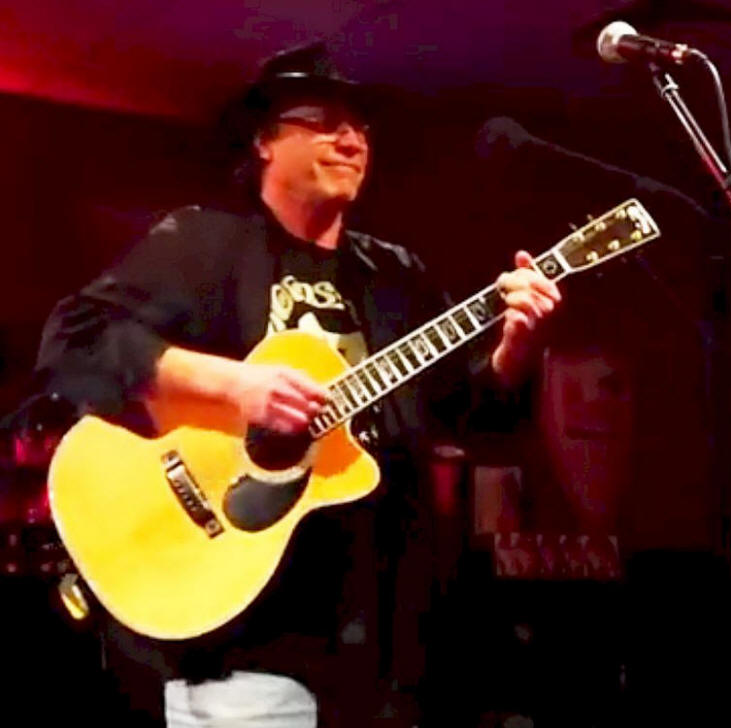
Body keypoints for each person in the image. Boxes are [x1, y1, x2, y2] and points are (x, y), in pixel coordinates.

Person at [35, 42, 561, 727]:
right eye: (322, 121)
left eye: (360, 127)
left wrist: (518, 347)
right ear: (263, 141)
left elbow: (471, 420)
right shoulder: (206, 244)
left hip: (386, 648)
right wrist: (236, 388)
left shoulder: (396, 277)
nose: (350, 139)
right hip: (244, 642)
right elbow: (73, 341)